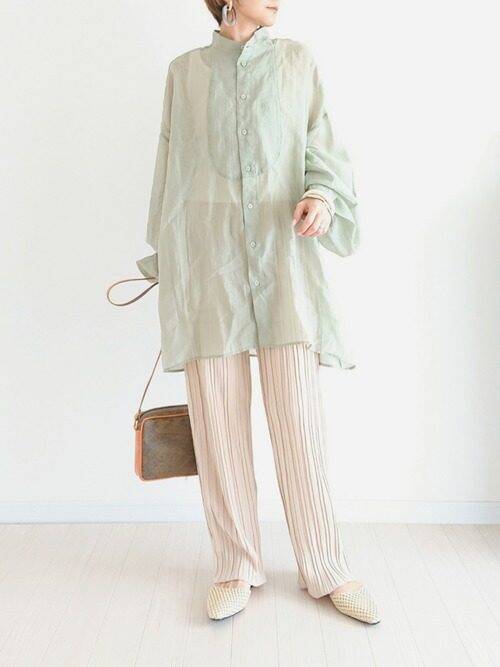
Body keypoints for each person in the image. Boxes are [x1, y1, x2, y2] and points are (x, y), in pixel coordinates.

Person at [136, 0, 380, 624]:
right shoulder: (185, 73)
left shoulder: (297, 62)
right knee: (217, 427)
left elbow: (323, 149)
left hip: (283, 263)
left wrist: (322, 196)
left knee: (299, 425)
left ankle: (325, 566)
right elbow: (170, 168)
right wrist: (166, 257)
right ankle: (235, 565)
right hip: (208, 266)